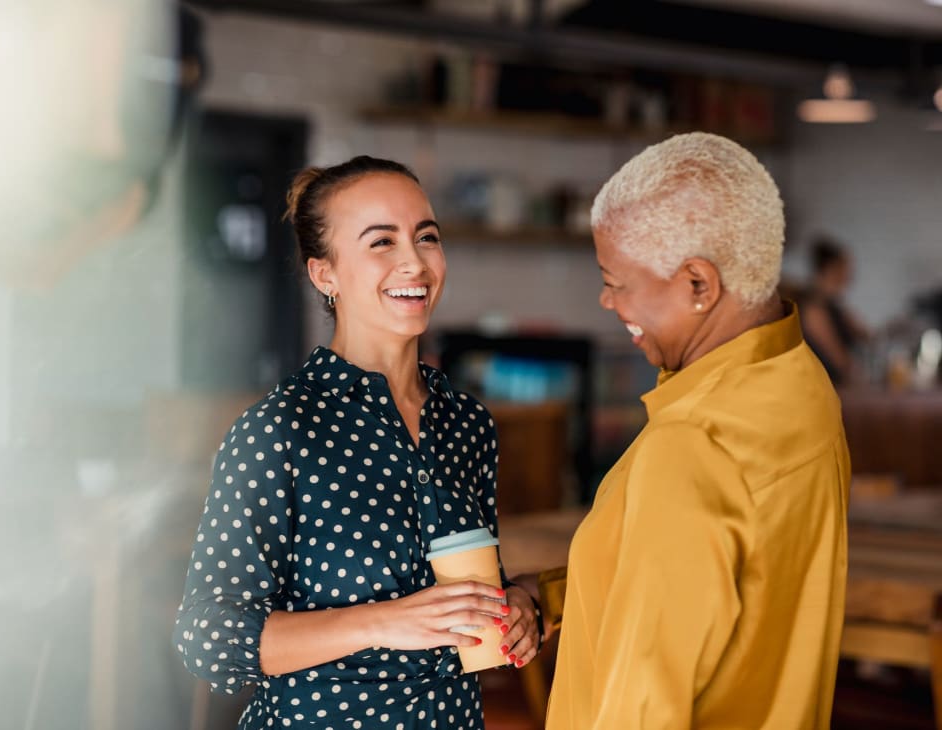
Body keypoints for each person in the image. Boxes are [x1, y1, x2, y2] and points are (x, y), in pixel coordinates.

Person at [173, 155, 540, 729]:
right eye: (381, 242)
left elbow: (471, 585)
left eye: (427, 237)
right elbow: (209, 639)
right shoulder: (280, 430)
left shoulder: (468, 424)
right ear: (326, 275)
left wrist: (521, 602)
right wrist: (384, 622)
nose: (414, 262)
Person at [538, 133, 850, 728]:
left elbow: (643, 707)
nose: (607, 300)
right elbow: (731, 586)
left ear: (698, 285)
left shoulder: (692, 445)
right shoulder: (802, 386)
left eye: (617, 280)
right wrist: (558, 594)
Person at [800, 235, 870, 385]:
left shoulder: (834, 306)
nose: (850, 275)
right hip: (823, 388)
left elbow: (865, 335)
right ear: (832, 269)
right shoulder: (814, 309)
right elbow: (839, 360)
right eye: (846, 268)